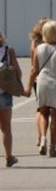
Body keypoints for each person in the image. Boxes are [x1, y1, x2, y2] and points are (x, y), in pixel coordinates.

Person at [32, 19, 56, 158]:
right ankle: (52, 147)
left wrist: (29, 86)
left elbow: (35, 68)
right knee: (55, 116)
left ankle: (42, 138)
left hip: (42, 82)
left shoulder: (38, 48)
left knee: (43, 113)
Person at [1, 32, 21, 167]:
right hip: (4, 92)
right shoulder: (8, 50)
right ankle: (8, 156)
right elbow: (18, 72)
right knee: (6, 126)